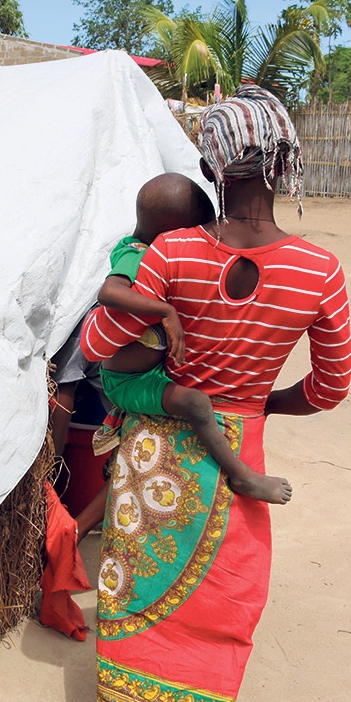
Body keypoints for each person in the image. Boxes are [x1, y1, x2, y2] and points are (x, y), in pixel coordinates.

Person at [80, 84, 351, 702]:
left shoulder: (170, 253)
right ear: (286, 162)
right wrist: (261, 403)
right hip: (240, 451)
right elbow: (330, 389)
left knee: (149, 581)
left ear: (211, 168)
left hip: (155, 460)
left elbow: (98, 348)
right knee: (223, 598)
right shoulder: (321, 272)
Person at [94, 172, 293, 506]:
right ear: (173, 234)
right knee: (195, 402)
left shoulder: (159, 254)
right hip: (126, 380)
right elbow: (109, 292)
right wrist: (166, 312)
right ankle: (240, 474)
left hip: (150, 368)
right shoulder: (133, 253)